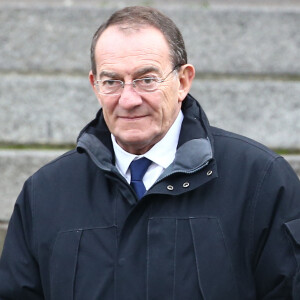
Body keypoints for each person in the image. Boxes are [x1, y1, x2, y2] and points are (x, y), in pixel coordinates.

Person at [0, 6, 299, 300]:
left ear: (182, 82)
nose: (128, 99)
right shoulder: (45, 194)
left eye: (146, 79)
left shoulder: (261, 182)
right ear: (95, 85)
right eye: (112, 81)